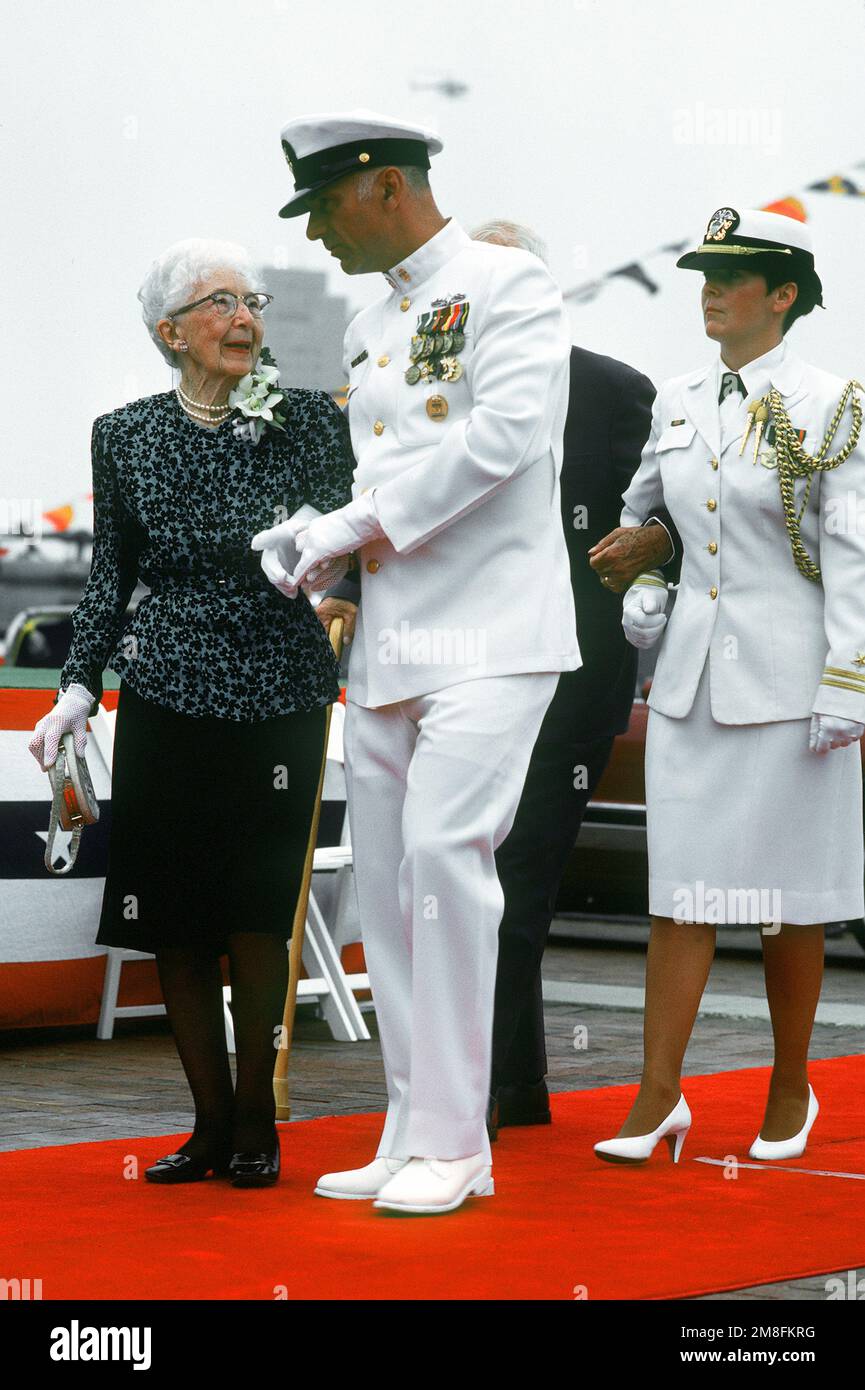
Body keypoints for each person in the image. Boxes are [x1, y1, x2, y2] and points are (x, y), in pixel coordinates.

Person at [253, 110, 578, 1214]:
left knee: (446, 865)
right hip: (394, 636)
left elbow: (502, 441)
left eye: (327, 208)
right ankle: (408, 1125)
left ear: (385, 186)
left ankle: (459, 1144)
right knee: (390, 893)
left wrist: (357, 524)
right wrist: (320, 546)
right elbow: (387, 468)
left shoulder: (507, 285)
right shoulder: (368, 327)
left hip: (491, 634)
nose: (319, 236)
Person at [29, 238, 355, 1188]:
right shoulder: (122, 432)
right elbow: (110, 576)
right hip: (167, 690)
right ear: (170, 332)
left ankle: (259, 1122)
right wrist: (78, 685)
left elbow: (350, 545)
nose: (244, 317)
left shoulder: (305, 421)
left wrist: (337, 590)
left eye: (252, 300)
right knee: (172, 918)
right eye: (220, 303)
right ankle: (207, 1123)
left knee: (256, 913)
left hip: (278, 693)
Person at [593, 207, 865, 1166]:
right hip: (689, 683)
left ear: (783, 295)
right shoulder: (675, 400)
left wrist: (848, 684)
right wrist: (650, 582)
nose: (709, 288)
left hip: (795, 687)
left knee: (791, 900)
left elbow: (852, 554)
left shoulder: (835, 404)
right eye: (703, 272)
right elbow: (651, 525)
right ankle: (657, 1096)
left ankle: (790, 1087)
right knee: (681, 894)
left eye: (732, 275)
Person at [463, 220, 678, 1136]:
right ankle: (498, 1086)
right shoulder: (444, 392)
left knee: (517, 876)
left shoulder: (616, 392)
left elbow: (670, 526)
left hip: (572, 678)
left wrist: (653, 560)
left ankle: (495, 1091)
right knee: (465, 874)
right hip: (463, 667)